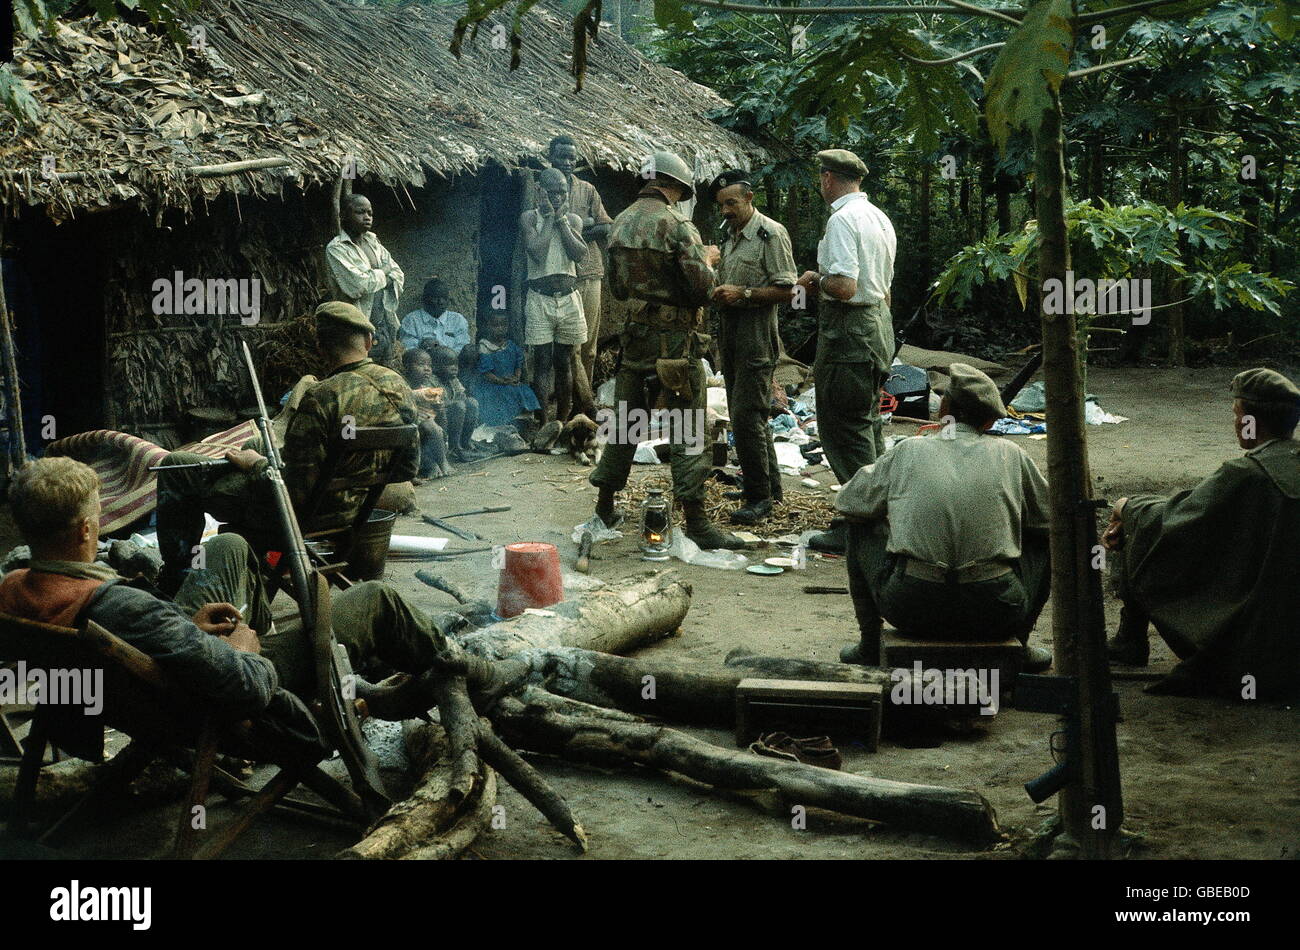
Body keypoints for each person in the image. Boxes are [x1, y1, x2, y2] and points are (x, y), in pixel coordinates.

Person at [1, 458, 482, 732]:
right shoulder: (118, 604)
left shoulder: (12, 589)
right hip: (219, 697)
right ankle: (473, 679)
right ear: (88, 529)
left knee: (227, 546)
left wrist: (185, 631)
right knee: (376, 599)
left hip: (148, 682)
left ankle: (384, 681)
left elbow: (134, 647)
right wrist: (244, 648)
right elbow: (249, 685)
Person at [154, 302, 419, 595]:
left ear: (320, 347)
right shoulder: (400, 386)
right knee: (254, 444)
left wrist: (254, 465)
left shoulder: (322, 396)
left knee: (176, 465)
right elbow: (407, 468)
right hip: (352, 514)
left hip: (297, 517)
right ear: (369, 342)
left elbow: (293, 492)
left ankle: (179, 575)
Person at [834, 364, 1053, 671]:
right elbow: (1050, 520)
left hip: (911, 608)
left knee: (858, 526)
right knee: (1044, 539)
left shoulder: (908, 449)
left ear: (943, 410)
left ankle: (870, 644)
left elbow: (848, 502)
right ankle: (1021, 643)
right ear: (990, 419)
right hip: (996, 612)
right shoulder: (1012, 453)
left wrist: (895, 514)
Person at [1102, 368, 1300, 700]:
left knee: (1141, 526)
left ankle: (1130, 638)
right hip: (1285, 620)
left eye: (1236, 414)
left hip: (1255, 636)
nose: (1235, 422)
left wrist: (1126, 506)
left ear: (1251, 421)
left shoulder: (1245, 475)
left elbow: (1176, 522)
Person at [589, 150, 743, 551]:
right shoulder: (678, 226)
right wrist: (709, 260)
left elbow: (619, 290)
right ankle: (697, 522)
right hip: (675, 342)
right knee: (689, 429)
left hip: (635, 337)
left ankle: (604, 506)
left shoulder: (619, 223)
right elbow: (703, 290)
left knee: (623, 422)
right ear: (674, 186)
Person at [796, 149, 897, 555]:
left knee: (842, 429)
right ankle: (878, 515)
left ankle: (859, 526)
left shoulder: (842, 220)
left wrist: (813, 279)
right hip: (877, 324)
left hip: (849, 331)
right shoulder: (878, 218)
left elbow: (844, 286)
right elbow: (883, 286)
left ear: (826, 179)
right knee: (867, 425)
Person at [707, 170, 798, 526]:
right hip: (730, 331)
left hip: (757, 332)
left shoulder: (770, 234)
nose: (726, 210)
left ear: (749, 198)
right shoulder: (729, 236)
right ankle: (765, 487)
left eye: (732, 203)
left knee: (749, 416)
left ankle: (760, 498)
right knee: (745, 413)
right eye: (721, 205)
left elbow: (790, 290)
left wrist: (742, 294)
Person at [543, 135, 613, 393]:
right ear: (550, 156)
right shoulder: (541, 187)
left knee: (587, 345)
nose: (568, 162)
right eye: (562, 156)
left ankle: (582, 397)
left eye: (572, 158)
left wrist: (573, 231)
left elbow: (606, 226)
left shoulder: (587, 190)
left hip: (587, 271)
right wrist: (583, 224)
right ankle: (557, 394)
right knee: (553, 340)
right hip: (555, 274)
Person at [521, 167, 588, 426]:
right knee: (542, 362)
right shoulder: (529, 218)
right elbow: (537, 252)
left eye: (562, 192)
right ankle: (543, 422)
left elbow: (579, 254)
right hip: (540, 298)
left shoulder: (573, 220)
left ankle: (561, 420)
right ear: (540, 191)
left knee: (565, 361)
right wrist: (549, 218)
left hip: (569, 298)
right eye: (551, 192)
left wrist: (561, 221)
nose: (557, 197)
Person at [325, 194, 405, 368]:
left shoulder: (373, 242)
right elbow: (359, 286)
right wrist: (384, 273)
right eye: (360, 212)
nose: (367, 217)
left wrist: (375, 275)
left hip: (383, 327)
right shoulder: (336, 248)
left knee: (386, 377)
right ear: (344, 215)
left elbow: (398, 273)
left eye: (370, 212)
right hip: (355, 332)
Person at [470, 314, 540, 428]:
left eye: (503, 325)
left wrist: (516, 377)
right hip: (491, 384)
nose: (500, 328)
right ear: (488, 326)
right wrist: (501, 381)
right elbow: (485, 373)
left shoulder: (510, 345)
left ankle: (524, 422)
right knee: (501, 395)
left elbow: (518, 363)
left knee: (524, 391)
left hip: (509, 381)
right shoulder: (485, 347)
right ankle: (503, 424)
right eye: (495, 325)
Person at [399, 278, 477, 373]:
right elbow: (408, 351)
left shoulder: (457, 320)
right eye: (435, 297)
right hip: (425, 370)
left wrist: (439, 348)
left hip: (452, 369)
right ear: (425, 299)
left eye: (444, 298)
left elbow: (462, 348)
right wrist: (425, 348)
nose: (441, 302)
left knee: (471, 351)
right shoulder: (412, 320)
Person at [402, 348, 453, 479]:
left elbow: (441, 425)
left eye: (429, 365)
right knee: (428, 425)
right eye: (421, 365)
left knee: (432, 426)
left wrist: (439, 411)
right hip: (408, 437)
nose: (427, 369)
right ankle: (436, 464)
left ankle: (441, 462)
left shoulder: (427, 390)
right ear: (407, 367)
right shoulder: (402, 386)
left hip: (427, 440)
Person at [428, 346, 483, 462]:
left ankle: (466, 442)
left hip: (455, 419)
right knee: (458, 406)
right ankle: (454, 447)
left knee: (472, 402)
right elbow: (437, 405)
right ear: (435, 367)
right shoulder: (431, 381)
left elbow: (462, 396)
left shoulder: (453, 380)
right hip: (439, 421)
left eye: (456, 365)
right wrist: (456, 405)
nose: (455, 369)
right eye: (450, 365)